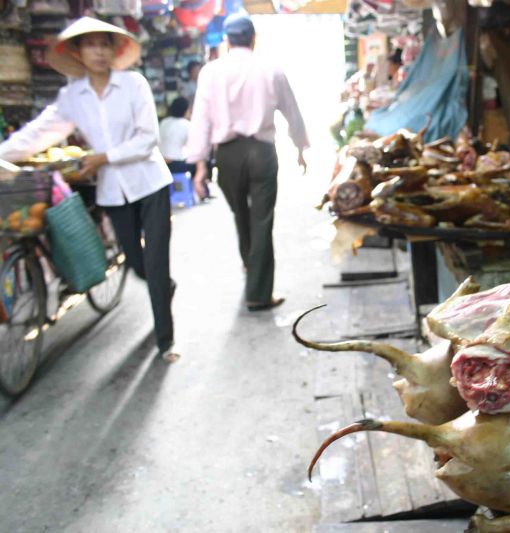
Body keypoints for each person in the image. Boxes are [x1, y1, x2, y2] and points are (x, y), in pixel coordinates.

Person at [0, 17, 180, 363]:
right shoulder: (73, 96)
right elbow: (40, 133)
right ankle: (163, 288)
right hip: (114, 191)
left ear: (115, 49)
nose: (98, 51)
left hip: (150, 182)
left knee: (156, 262)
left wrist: (104, 158)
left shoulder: (133, 84)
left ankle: (165, 341)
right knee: (137, 262)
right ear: (78, 52)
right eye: (90, 44)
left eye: (104, 43)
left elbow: (147, 140)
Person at [186, 11, 308, 312]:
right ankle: (258, 292)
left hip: (227, 155)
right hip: (262, 152)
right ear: (254, 38)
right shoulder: (271, 69)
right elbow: (292, 112)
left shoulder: (211, 72)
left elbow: (201, 120)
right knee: (262, 220)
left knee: (241, 214)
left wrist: (199, 164)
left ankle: (249, 266)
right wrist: (300, 147)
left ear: (227, 41)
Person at [159, 97, 193, 174]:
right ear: (185, 110)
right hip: (176, 163)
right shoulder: (187, 125)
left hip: (162, 162)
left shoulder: (164, 122)